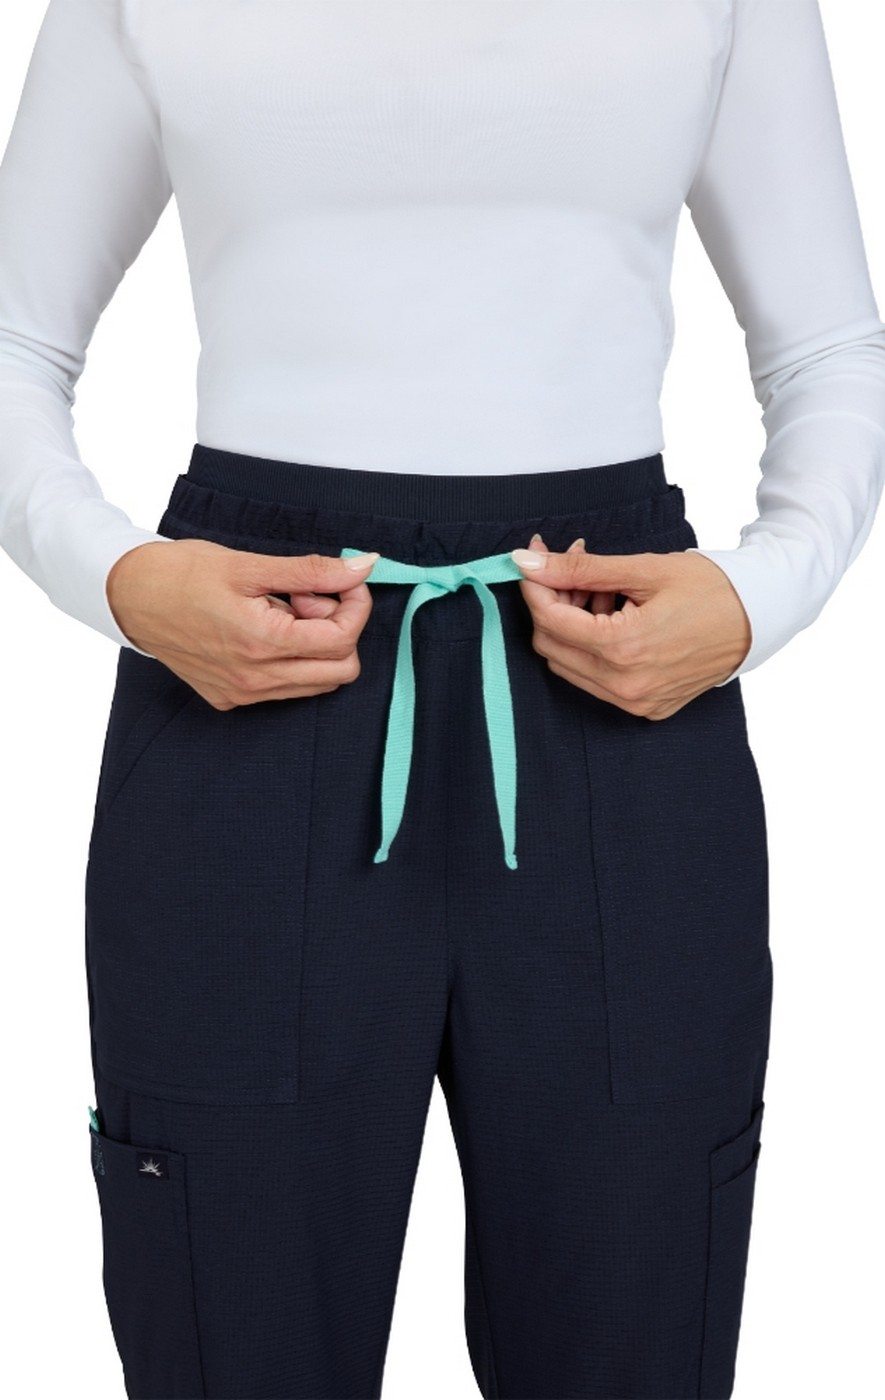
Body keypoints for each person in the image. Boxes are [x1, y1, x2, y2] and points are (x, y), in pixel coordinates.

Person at [1, 3, 883, 1398]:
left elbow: (825, 347)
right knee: (233, 1327)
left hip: (617, 706)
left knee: (633, 1328)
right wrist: (120, 580)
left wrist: (755, 596)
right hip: (244, 694)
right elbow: (13, 339)